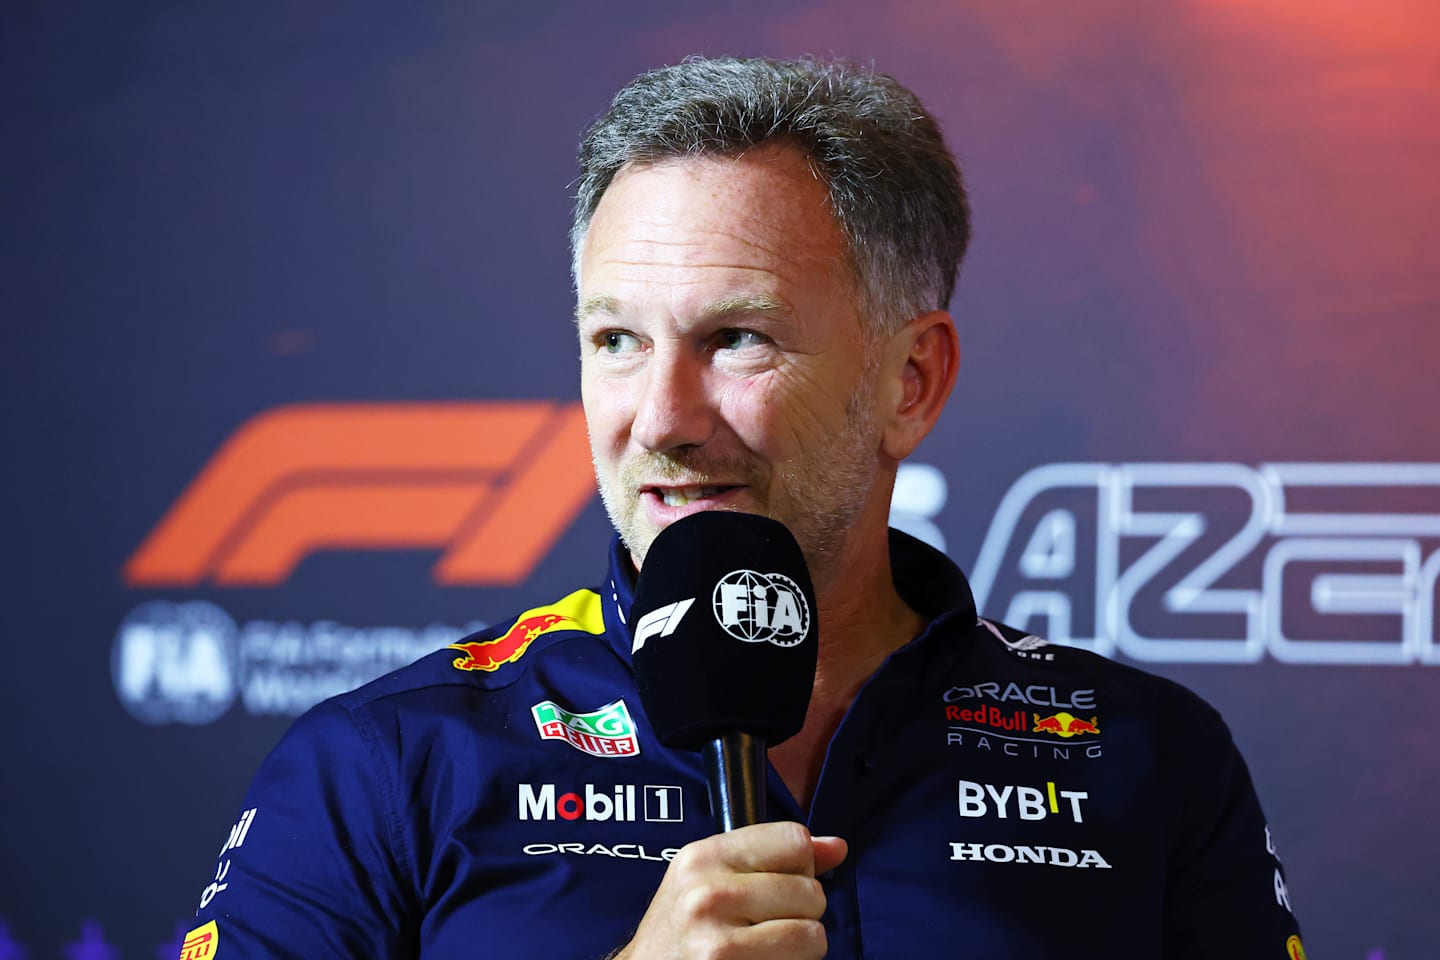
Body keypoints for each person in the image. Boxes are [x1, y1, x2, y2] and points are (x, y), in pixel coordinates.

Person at [182, 56, 1304, 959]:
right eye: (616, 340)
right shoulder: (387, 761)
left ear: (909, 383)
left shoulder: (1149, 757)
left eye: (737, 339)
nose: (661, 417)